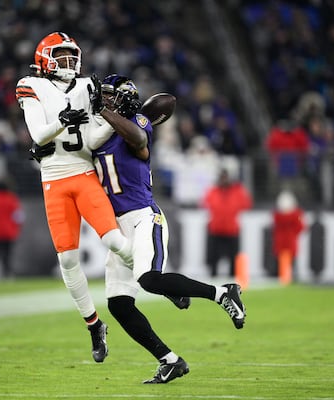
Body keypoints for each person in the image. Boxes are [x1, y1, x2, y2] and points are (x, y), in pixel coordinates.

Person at [87, 74, 247, 383]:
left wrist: (107, 111)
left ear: (123, 99)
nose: (103, 100)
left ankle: (222, 292)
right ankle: (169, 360)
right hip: (115, 227)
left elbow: (139, 140)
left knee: (149, 279)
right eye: (101, 96)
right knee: (119, 304)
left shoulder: (137, 123)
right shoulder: (98, 131)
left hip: (144, 217)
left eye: (109, 96)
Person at [15, 32, 134, 363]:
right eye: (60, 56)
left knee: (114, 240)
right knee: (67, 260)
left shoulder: (86, 87)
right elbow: (39, 133)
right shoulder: (31, 85)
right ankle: (94, 326)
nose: (68, 62)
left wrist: (113, 121)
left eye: (71, 56)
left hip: (83, 174)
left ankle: (157, 280)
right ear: (43, 59)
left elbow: (94, 139)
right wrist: (61, 121)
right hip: (53, 180)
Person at [201, 168, 253, 277]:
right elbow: (205, 203)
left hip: (231, 229)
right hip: (216, 228)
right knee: (213, 256)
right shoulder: (213, 191)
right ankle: (213, 276)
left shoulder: (237, 191)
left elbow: (246, 204)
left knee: (233, 256)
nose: (224, 180)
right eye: (222, 178)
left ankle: (233, 277)